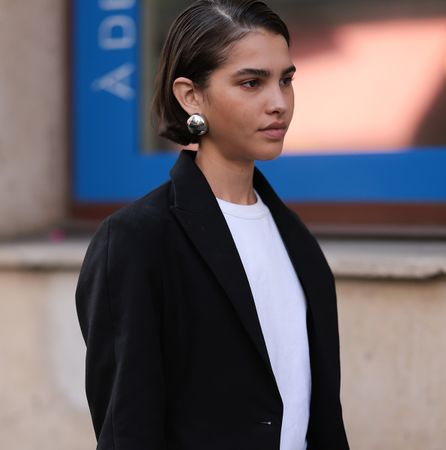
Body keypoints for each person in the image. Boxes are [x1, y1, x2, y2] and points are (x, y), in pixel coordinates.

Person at [76, 1, 350, 449]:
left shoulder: (295, 238)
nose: (279, 103)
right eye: (251, 82)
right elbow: (129, 427)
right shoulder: (137, 239)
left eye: (286, 80)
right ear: (190, 96)